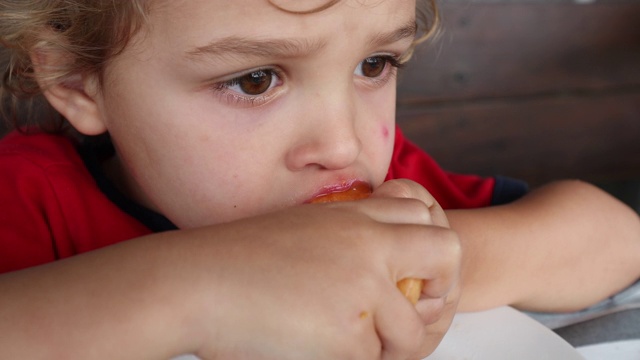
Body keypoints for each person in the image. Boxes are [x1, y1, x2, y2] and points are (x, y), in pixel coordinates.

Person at [0, 0, 638, 358]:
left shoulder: (380, 195)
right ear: (76, 80)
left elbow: (615, 239)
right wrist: (200, 290)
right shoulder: (28, 198)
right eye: (255, 80)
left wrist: (424, 261)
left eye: (373, 64)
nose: (344, 143)